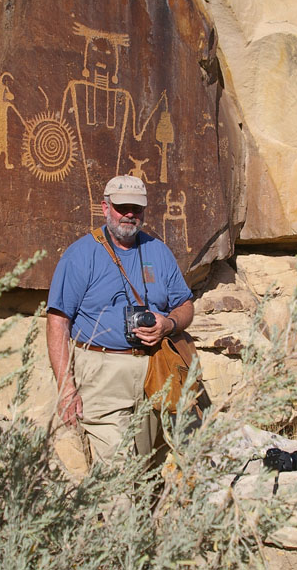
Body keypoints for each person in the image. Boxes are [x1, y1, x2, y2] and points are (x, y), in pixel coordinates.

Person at [46, 175, 194, 464]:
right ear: (105, 207)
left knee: (157, 464)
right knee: (115, 470)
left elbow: (185, 304)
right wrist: (66, 389)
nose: (129, 214)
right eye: (122, 207)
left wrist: (169, 324)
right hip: (103, 373)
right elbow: (57, 322)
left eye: (136, 209)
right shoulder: (80, 255)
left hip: (157, 367)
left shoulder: (158, 251)